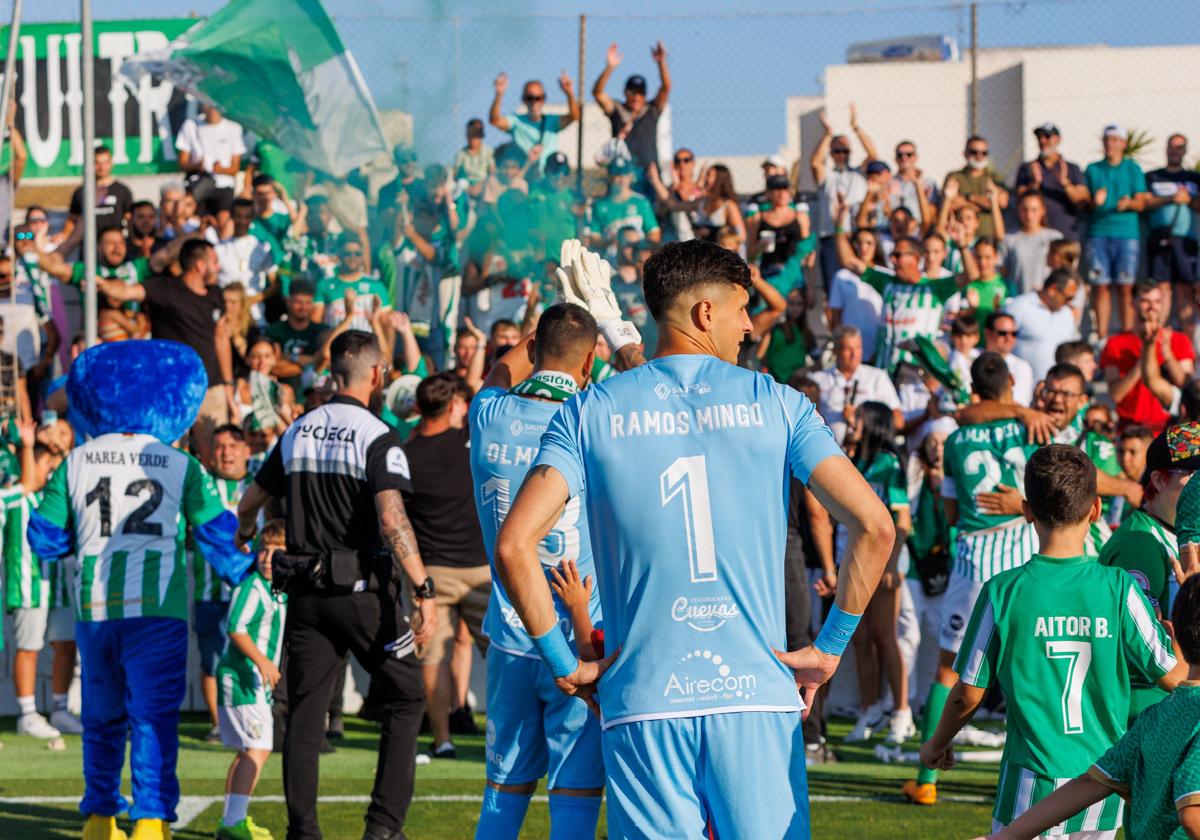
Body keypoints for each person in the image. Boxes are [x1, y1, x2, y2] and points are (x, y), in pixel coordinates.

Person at [493, 238, 895, 838]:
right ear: (706, 314)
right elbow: (875, 526)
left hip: (643, 700)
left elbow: (513, 545)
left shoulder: (587, 411)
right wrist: (829, 648)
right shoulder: (779, 404)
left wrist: (565, 664)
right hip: (757, 695)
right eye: (741, 309)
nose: (750, 327)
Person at [27, 339, 253, 840]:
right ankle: (149, 819)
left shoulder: (77, 460)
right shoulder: (179, 462)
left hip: (97, 607)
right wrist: (257, 572)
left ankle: (100, 818)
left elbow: (42, 540)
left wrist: (79, 537)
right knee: (152, 719)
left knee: (103, 717)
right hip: (158, 610)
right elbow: (219, 537)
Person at [919, 444, 1180, 838]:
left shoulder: (1002, 591)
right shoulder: (1120, 588)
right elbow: (1174, 676)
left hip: (1029, 784)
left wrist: (935, 744)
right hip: (1100, 784)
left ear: (1026, 511)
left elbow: (967, 695)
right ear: (1094, 510)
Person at [236, 330, 437, 840]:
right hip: (363, 597)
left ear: (332, 373)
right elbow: (393, 521)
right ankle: (383, 827)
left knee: (304, 717)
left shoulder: (298, 431)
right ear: (375, 374)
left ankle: (303, 831)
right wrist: (423, 588)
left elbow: (251, 501)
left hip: (305, 597)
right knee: (407, 696)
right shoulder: (376, 434)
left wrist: (244, 530)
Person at [468, 302, 608, 840]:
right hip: (579, 637)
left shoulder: (488, 412)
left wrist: (537, 334)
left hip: (508, 636)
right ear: (590, 362)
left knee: (503, 795)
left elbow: (500, 371)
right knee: (573, 795)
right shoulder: (595, 416)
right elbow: (645, 381)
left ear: (531, 349)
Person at [903, 352, 1039, 806]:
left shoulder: (956, 438)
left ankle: (926, 779)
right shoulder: (1026, 426)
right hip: (1023, 548)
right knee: (1030, 667)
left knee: (950, 668)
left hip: (976, 558)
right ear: (1010, 385)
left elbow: (950, 513)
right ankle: (1040, 777)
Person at [977, 571, 1200, 840]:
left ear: (1175, 634)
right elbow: (1192, 816)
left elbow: (1091, 781)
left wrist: (1005, 836)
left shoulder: (1154, 716)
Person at [402, 372, 492, 760]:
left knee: (432, 659)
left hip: (430, 576)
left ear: (417, 408)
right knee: (507, 657)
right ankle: (509, 741)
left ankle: (441, 739)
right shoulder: (470, 443)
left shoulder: (406, 454)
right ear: (454, 406)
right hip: (482, 573)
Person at [94, 239, 235, 465]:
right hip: (172, 391)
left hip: (211, 389)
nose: (219, 267)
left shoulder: (216, 294)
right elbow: (129, 291)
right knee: (171, 458)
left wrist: (228, 386)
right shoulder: (165, 288)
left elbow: (221, 339)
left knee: (216, 456)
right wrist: (105, 285)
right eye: (215, 261)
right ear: (200, 265)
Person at [1100, 423, 1200, 722]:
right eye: (1193, 477)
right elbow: (1152, 658)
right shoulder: (1140, 545)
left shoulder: (1176, 536)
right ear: (1158, 480)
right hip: (1147, 711)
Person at [839, 401, 914, 745]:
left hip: (883, 559)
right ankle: (868, 710)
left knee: (885, 635)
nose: (851, 423)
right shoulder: (855, 460)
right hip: (857, 557)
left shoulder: (889, 462)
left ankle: (901, 712)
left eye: (858, 419)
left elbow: (903, 521)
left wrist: (890, 562)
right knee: (861, 637)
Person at [3, 423, 80, 739]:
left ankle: (60, 710)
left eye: (64, 432)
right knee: (29, 647)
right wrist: (27, 445)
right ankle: (27, 713)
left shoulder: (65, 492)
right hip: (28, 583)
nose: (55, 437)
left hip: (60, 584)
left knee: (65, 645)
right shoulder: (15, 492)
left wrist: (60, 449)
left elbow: (75, 474)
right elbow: (29, 483)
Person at [215, 518, 288, 840]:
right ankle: (233, 822)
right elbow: (236, 628)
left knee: (250, 749)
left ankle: (233, 818)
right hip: (243, 678)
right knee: (258, 748)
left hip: (252, 681)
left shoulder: (278, 590)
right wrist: (263, 663)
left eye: (277, 551)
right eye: (264, 550)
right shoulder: (252, 587)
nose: (267, 558)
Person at [192, 424, 256, 742]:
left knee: (256, 657)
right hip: (210, 592)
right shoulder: (201, 487)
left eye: (233, 445)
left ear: (247, 450)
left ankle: (256, 719)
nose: (226, 452)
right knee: (212, 660)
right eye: (219, 446)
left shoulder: (260, 483)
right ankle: (220, 724)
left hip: (255, 591)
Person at [1101, 281, 1195, 433]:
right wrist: (1144, 358)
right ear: (1133, 302)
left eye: (1157, 301)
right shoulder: (1116, 343)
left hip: (1169, 426)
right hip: (1130, 428)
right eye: (1146, 301)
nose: (1152, 307)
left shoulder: (1178, 339)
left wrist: (1168, 354)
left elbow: (1186, 385)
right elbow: (1116, 395)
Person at [1086, 124, 1151, 338]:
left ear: (1123, 143)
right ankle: (1103, 337)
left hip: (1127, 234)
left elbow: (1142, 202)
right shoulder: (1093, 169)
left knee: (1125, 286)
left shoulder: (1133, 169)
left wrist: (1129, 203)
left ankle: (1127, 335)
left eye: (1115, 140)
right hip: (1098, 233)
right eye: (1107, 140)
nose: (1110, 144)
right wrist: (1093, 202)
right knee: (1101, 285)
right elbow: (1082, 201)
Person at [810, 106, 875, 289]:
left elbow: (873, 155)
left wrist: (856, 127)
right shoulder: (828, 176)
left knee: (862, 285)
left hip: (855, 236)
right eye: (837, 151)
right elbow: (815, 162)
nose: (842, 155)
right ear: (831, 153)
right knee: (834, 287)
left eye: (846, 151)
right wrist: (828, 134)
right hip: (831, 237)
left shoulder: (858, 173)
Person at [592, 41, 670, 184]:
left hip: (649, 176)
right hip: (622, 176)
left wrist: (661, 63)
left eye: (641, 93)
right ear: (625, 93)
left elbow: (666, 87)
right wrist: (610, 67)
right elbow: (598, 93)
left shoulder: (652, 110)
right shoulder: (617, 110)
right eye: (632, 92)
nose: (636, 97)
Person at [811, 324, 901, 445]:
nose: (854, 354)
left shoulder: (877, 377)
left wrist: (860, 418)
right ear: (836, 351)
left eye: (858, 347)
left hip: (867, 454)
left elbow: (899, 421)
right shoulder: (818, 380)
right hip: (830, 453)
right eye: (848, 349)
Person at [1145, 134, 1200, 329]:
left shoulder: (1194, 178)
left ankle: (1187, 347)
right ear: (1166, 148)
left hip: (1187, 239)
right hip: (1160, 238)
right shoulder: (1153, 176)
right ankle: (1158, 339)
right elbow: (1144, 202)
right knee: (1162, 289)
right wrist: (1169, 199)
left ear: (1185, 150)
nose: (1174, 151)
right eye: (1171, 147)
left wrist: (1190, 201)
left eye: (1179, 147)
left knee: (1185, 289)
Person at [489, 72, 580, 175]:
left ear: (543, 99)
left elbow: (575, 116)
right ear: (523, 99)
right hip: (525, 176)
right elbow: (495, 121)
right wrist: (499, 94)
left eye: (538, 98)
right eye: (530, 98)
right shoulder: (516, 121)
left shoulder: (552, 121)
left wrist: (569, 92)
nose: (534, 102)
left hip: (547, 178)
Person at [175, 104, 247, 227]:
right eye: (207, 104)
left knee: (224, 221)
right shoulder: (190, 125)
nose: (211, 109)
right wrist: (197, 166)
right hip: (199, 184)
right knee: (190, 220)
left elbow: (235, 169)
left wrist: (220, 169)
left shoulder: (234, 128)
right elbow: (182, 164)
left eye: (215, 105)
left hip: (224, 186)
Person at [1014, 123, 1089, 240]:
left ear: (1058, 140)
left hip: (1065, 233)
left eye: (1047, 136)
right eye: (1040, 137)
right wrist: (1034, 184)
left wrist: (1065, 183)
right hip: (1035, 236)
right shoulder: (1027, 168)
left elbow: (1082, 201)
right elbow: (1020, 199)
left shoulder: (1072, 168)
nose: (1043, 141)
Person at [1004, 269, 1081, 381]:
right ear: (1053, 290)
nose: (1069, 302)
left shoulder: (1067, 314)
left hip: (1057, 391)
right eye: (1068, 297)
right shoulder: (1018, 307)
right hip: (1022, 389)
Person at [215, 199, 277, 326]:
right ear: (232, 217)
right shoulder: (219, 249)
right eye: (238, 216)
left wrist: (252, 300)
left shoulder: (262, 247)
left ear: (252, 218)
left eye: (247, 217)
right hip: (225, 312)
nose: (242, 221)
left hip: (254, 315)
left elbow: (275, 285)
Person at [265, 279, 328, 397]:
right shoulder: (273, 331)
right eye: (298, 302)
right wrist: (310, 362)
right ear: (288, 301)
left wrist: (287, 358)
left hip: (315, 397)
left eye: (308, 303)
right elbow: (272, 367)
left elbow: (326, 363)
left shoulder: (322, 331)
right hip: (281, 395)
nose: (303, 307)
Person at [60, 145, 134, 241]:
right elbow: (73, 219)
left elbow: (129, 219)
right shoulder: (81, 192)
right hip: (89, 245)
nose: (102, 167)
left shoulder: (123, 190)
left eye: (105, 162)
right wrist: (63, 235)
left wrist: (132, 241)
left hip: (114, 244)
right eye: (97, 163)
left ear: (111, 163)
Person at [944, 136, 1008, 239]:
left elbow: (1003, 201)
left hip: (989, 238)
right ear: (965, 153)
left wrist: (968, 198)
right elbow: (950, 203)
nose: (979, 156)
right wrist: (987, 202)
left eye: (984, 153)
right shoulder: (954, 176)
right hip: (960, 236)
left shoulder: (995, 177)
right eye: (974, 152)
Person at [589, 158, 661, 248]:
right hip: (611, 258)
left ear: (630, 176)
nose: (622, 179)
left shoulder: (641, 202)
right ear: (610, 177)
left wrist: (643, 251)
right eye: (617, 175)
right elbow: (594, 237)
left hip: (637, 257)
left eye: (625, 174)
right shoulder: (600, 206)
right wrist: (609, 242)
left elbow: (654, 233)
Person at [1003, 192, 1063, 297]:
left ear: (1043, 210)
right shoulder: (1008, 238)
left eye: (1034, 210)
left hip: (1047, 301)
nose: (1029, 215)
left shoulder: (1055, 238)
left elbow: (1062, 272)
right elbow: (1003, 273)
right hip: (1018, 300)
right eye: (1024, 209)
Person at [983, 312, 1035, 407]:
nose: (1009, 338)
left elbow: (1018, 403)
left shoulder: (1022, 367)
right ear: (987, 334)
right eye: (1002, 333)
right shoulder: (967, 357)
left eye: (1014, 334)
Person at [888, 140, 937, 233]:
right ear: (895, 159)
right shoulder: (888, 183)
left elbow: (932, 215)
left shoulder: (929, 183)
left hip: (919, 231)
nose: (904, 158)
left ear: (916, 157)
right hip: (894, 231)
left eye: (909, 154)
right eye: (900, 155)